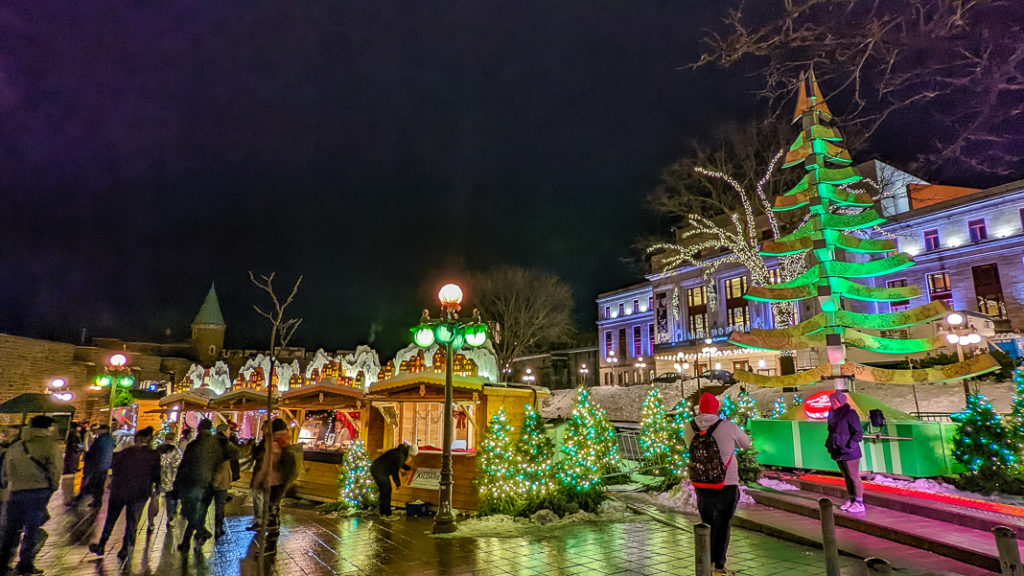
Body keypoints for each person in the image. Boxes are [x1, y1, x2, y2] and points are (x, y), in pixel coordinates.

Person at [684, 393, 751, 576]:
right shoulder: (728, 426)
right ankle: (718, 566)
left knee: (707, 523)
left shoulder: (688, 427)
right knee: (722, 525)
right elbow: (747, 444)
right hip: (726, 482)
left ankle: (706, 564)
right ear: (716, 408)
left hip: (701, 482)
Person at [0, 415, 61, 576]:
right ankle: (25, 564)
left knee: (11, 529)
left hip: (16, 491)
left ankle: (3, 563)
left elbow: (6, 470)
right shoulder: (50, 446)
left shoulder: (17, 445)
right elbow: (55, 470)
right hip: (38, 492)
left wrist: (9, 484)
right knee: (31, 530)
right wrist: (52, 487)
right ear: (48, 427)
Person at [88, 427, 160, 560]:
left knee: (111, 519)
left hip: (120, 491)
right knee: (132, 522)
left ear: (137, 439)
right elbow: (156, 474)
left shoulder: (126, 452)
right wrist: (156, 488)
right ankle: (125, 548)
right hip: (140, 493)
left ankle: (102, 544)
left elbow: (114, 466)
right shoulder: (154, 455)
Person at [172, 419, 225, 552]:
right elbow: (220, 465)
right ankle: (189, 540)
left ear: (200, 429)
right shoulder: (217, 445)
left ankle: (198, 534)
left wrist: (177, 484)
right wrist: (215, 482)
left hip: (193, 483)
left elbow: (183, 466)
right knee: (198, 513)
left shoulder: (193, 445)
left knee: (190, 513)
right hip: (209, 485)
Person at [252, 419, 302, 533]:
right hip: (277, 482)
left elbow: (263, 461)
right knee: (272, 509)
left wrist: (258, 480)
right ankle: (270, 538)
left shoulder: (273, 442)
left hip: (274, 481)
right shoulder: (283, 442)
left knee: (271, 510)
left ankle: (270, 541)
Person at [826, 390, 865, 513]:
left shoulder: (850, 413)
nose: (832, 403)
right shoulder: (832, 413)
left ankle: (859, 502)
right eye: (831, 401)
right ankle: (851, 498)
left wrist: (851, 445)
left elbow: (858, 432)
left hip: (849, 450)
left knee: (854, 476)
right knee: (846, 476)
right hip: (838, 449)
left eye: (834, 401)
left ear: (841, 401)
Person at [369, 441, 418, 517]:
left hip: (377, 468)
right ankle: (386, 513)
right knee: (386, 490)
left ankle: (382, 510)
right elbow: (395, 470)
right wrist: (397, 483)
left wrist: (409, 468)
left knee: (384, 491)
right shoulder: (400, 456)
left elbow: (399, 464)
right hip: (379, 471)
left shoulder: (400, 453)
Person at [210, 423, 240, 539]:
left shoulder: (212, 442)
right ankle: (218, 527)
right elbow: (238, 453)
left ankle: (204, 528)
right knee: (219, 505)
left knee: (209, 504)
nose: (229, 432)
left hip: (214, 478)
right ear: (223, 431)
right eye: (228, 430)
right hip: (220, 480)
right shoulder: (224, 443)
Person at [149, 431, 182, 530]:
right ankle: (170, 519)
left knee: (154, 499)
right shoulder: (177, 452)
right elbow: (179, 466)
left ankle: (151, 520)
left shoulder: (158, 450)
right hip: (172, 480)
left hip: (157, 479)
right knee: (171, 500)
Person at [75, 423, 113, 508]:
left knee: (91, 483)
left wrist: (87, 456)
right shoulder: (108, 439)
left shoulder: (101, 439)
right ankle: (96, 501)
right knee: (98, 484)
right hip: (103, 466)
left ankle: (79, 500)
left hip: (97, 466)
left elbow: (94, 452)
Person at [60, 423, 84, 506]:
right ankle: (68, 498)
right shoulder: (75, 435)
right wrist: (81, 448)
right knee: (70, 475)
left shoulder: (73, 434)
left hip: (73, 456)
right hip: (73, 456)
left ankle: (68, 496)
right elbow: (79, 444)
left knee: (71, 473)